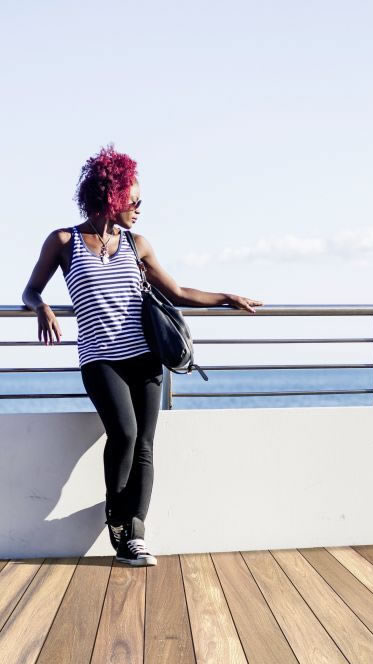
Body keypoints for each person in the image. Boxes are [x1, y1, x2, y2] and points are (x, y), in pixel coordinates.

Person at [22, 143, 263, 567]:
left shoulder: (138, 245)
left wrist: (226, 297)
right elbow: (30, 289)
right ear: (110, 195)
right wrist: (41, 307)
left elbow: (179, 292)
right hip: (100, 360)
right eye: (132, 200)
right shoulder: (63, 241)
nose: (138, 208)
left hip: (145, 358)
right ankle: (116, 519)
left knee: (145, 445)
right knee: (125, 434)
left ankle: (134, 535)